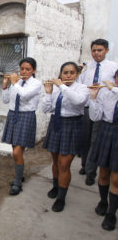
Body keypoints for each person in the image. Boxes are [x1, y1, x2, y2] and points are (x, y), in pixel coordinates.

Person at [42, 62, 89, 212]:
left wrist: (61, 86)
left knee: (64, 164)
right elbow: (46, 109)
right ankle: (56, 187)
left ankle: (61, 198)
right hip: (56, 124)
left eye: (71, 73)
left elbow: (78, 101)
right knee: (55, 161)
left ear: (76, 74)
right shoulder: (55, 88)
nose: (68, 75)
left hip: (73, 125)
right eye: (65, 72)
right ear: (61, 74)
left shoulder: (82, 88)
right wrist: (49, 92)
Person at [77, 39, 118, 186]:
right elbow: (81, 85)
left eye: (99, 50)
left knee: (95, 141)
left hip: (103, 109)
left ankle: (91, 172)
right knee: (85, 140)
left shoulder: (114, 67)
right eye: (93, 50)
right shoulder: (87, 67)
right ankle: (84, 165)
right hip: (88, 107)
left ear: (106, 50)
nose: (96, 53)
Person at [1, 57, 42, 195]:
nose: (24, 72)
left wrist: (14, 83)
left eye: (28, 69)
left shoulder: (36, 83)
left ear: (33, 70)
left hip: (26, 116)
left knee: (17, 152)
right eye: (22, 69)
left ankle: (17, 183)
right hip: (13, 115)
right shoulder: (16, 82)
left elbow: (24, 95)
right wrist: (5, 85)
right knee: (15, 151)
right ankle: (20, 175)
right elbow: (5, 100)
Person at [88, 70, 118, 231]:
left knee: (116, 178)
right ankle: (103, 201)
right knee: (104, 173)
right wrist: (93, 97)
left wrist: (113, 88)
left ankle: (111, 213)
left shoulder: (113, 90)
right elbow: (95, 116)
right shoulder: (106, 94)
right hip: (106, 131)